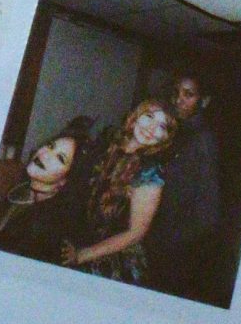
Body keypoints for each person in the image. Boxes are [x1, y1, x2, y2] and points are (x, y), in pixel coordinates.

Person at [62, 100, 179, 285]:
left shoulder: (150, 173)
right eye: (149, 116)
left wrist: (82, 255)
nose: (151, 127)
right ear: (135, 116)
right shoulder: (110, 142)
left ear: (165, 137)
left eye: (161, 126)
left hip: (112, 259)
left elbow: (136, 233)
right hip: (82, 236)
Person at [148, 71, 224, 297]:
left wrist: (173, 241)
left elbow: (210, 208)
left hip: (176, 242)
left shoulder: (202, 140)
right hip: (158, 230)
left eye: (188, 94)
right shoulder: (174, 130)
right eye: (176, 93)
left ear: (204, 101)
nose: (178, 100)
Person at [0, 116, 94, 264]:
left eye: (60, 158)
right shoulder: (20, 190)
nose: (45, 155)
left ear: (65, 181)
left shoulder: (49, 227)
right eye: (51, 146)